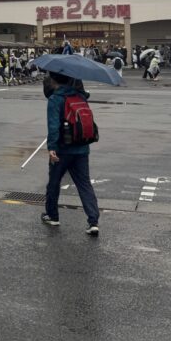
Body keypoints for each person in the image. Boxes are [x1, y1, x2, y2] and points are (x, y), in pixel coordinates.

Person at [41, 72, 100, 236]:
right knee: (84, 184)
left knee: (54, 183)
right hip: (82, 148)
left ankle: (52, 215)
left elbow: (53, 127)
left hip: (62, 150)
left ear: (53, 80)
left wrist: (51, 147)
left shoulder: (55, 99)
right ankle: (93, 221)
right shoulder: (81, 97)